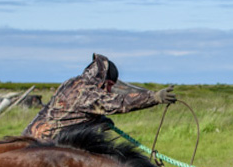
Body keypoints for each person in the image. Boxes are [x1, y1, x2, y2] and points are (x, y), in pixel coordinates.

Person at [24, 53, 177, 141]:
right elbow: (119, 103)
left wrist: (95, 122)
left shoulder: (73, 82)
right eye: (110, 85)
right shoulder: (86, 92)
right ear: (102, 80)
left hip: (31, 138)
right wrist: (155, 97)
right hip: (43, 145)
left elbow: (71, 116)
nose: (110, 90)